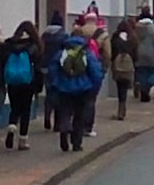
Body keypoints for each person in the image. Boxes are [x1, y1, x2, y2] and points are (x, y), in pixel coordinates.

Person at [49, 23, 104, 151]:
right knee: (79, 115)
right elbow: (96, 72)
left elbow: (53, 70)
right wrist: (93, 87)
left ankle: (64, 128)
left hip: (64, 88)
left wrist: (55, 84)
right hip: (83, 89)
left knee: (65, 111)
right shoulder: (86, 53)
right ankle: (76, 143)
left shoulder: (62, 52)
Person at [2, 20, 42, 150]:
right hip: (27, 82)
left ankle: (11, 127)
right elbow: (38, 66)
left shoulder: (9, 44)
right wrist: (39, 84)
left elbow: (3, 61)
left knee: (14, 108)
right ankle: (22, 141)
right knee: (25, 110)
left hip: (12, 81)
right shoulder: (34, 45)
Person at [40, 11, 67, 131]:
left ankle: (47, 115)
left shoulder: (44, 36)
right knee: (60, 96)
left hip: (46, 68)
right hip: (59, 69)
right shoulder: (64, 36)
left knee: (49, 93)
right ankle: (57, 124)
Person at [108, 17, 139, 119]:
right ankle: (122, 108)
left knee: (119, 87)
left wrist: (112, 62)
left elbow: (112, 52)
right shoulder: (133, 38)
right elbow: (135, 54)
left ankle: (121, 109)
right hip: (128, 66)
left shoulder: (115, 38)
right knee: (124, 87)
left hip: (117, 66)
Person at [133, 7, 154, 101]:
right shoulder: (151, 27)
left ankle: (142, 86)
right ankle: (147, 86)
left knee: (141, 73)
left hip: (138, 53)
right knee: (153, 73)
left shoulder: (136, 27)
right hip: (151, 54)